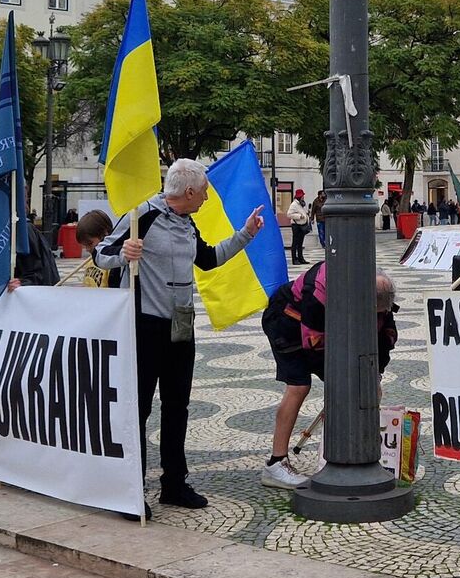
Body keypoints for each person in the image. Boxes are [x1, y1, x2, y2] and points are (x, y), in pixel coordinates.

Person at [94, 159, 264, 510]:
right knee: (138, 409)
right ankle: (130, 489)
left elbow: (209, 259)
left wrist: (246, 234)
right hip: (145, 326)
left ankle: (174, 483)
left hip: (181, 327)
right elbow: (100, 253)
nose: (205, 197)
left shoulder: (188, 223)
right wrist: (122, 255)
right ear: (189, 192)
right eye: (203, 192)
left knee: (178, 407)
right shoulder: (142, 215)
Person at [260, 265, 399, 489]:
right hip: (286, 322)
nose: (376, 316)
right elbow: (314, 345)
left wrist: (376, 374)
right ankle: (276, 464)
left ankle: (358, 450)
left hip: (326, 326)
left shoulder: (378, 293)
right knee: (299, 386)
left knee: (367, 384)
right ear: (361, 298)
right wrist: (339, 386)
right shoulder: (319, 293)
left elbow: (385, 338)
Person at [287, 191, 310, 264]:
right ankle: (295, 259)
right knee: (295, 242)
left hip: (302, 225)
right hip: (296, 225)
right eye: (303, 196)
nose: (303, 197)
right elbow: (289, 214)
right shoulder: (294, 204)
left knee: (300, 243)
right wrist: (299, 216)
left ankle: (301, 258)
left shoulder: (301, 204)